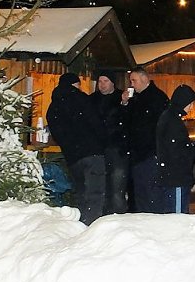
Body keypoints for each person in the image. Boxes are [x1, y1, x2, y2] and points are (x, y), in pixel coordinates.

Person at [46, 73, 107, 225]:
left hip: (73, 156)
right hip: (92, 152)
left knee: (81, 192)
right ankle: (92, 225)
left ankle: (80, 223)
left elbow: (57, 134)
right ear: (75, 84)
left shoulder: (53, 107)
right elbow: (96, 123)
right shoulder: (83, 99)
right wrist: (103, 142)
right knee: (95, 193)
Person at [126, 67, 169, 213]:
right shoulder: (136, 99)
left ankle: (151, 221)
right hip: (138, 153)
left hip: (150, 153)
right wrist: (125, 104)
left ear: (145, 79)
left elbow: (157, 127)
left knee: (150, 192)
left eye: (134, 80)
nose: (132, 84)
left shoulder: (157, 98)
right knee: (140, 193)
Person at [90, 69, 131, 214]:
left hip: (117, 148)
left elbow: (128, 120)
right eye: (100, 81)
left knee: (117, 187)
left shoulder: (122, 98)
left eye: (105, 81)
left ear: (112, 82)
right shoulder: (92, 100)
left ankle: (118, 216)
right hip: (98, 149)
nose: (102, 85)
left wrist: (124, 104)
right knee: (102, 186)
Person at [155, 84, 195, 214]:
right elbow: (178, 150)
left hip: (172, 175)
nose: (191, 107)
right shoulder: (173, 121)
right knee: (177, 216)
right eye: (190, 103)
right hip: (176, 177)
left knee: (173, 213)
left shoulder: (170, 117)